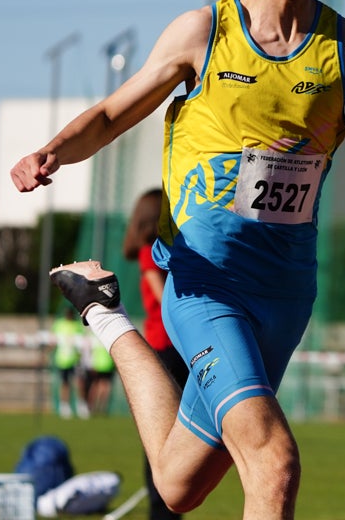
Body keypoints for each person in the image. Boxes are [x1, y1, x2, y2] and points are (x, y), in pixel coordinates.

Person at [11, 0, 345, 520]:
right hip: (206, 284)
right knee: (274, 460)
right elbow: (114, 113)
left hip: (286, 292)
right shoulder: (205, 32)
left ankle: (102, 311)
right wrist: (51, 152)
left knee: (178, 487)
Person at [121, 188, 189, 520]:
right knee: (163, 437)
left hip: (172, 346)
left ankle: (166, 509)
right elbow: (165, 299)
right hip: (167, 347)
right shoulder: (151, 252)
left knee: (174, 435)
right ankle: (161, 510)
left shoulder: (158, 250)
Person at [52, 306, 87, 419]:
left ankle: (81, 405)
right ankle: (64, 406)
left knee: (79, 383)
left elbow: (81, 343)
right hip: (63, 360)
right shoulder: (59, 324)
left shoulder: (77, 326)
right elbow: (53, 340)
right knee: (65, 383)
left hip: (75, 360)